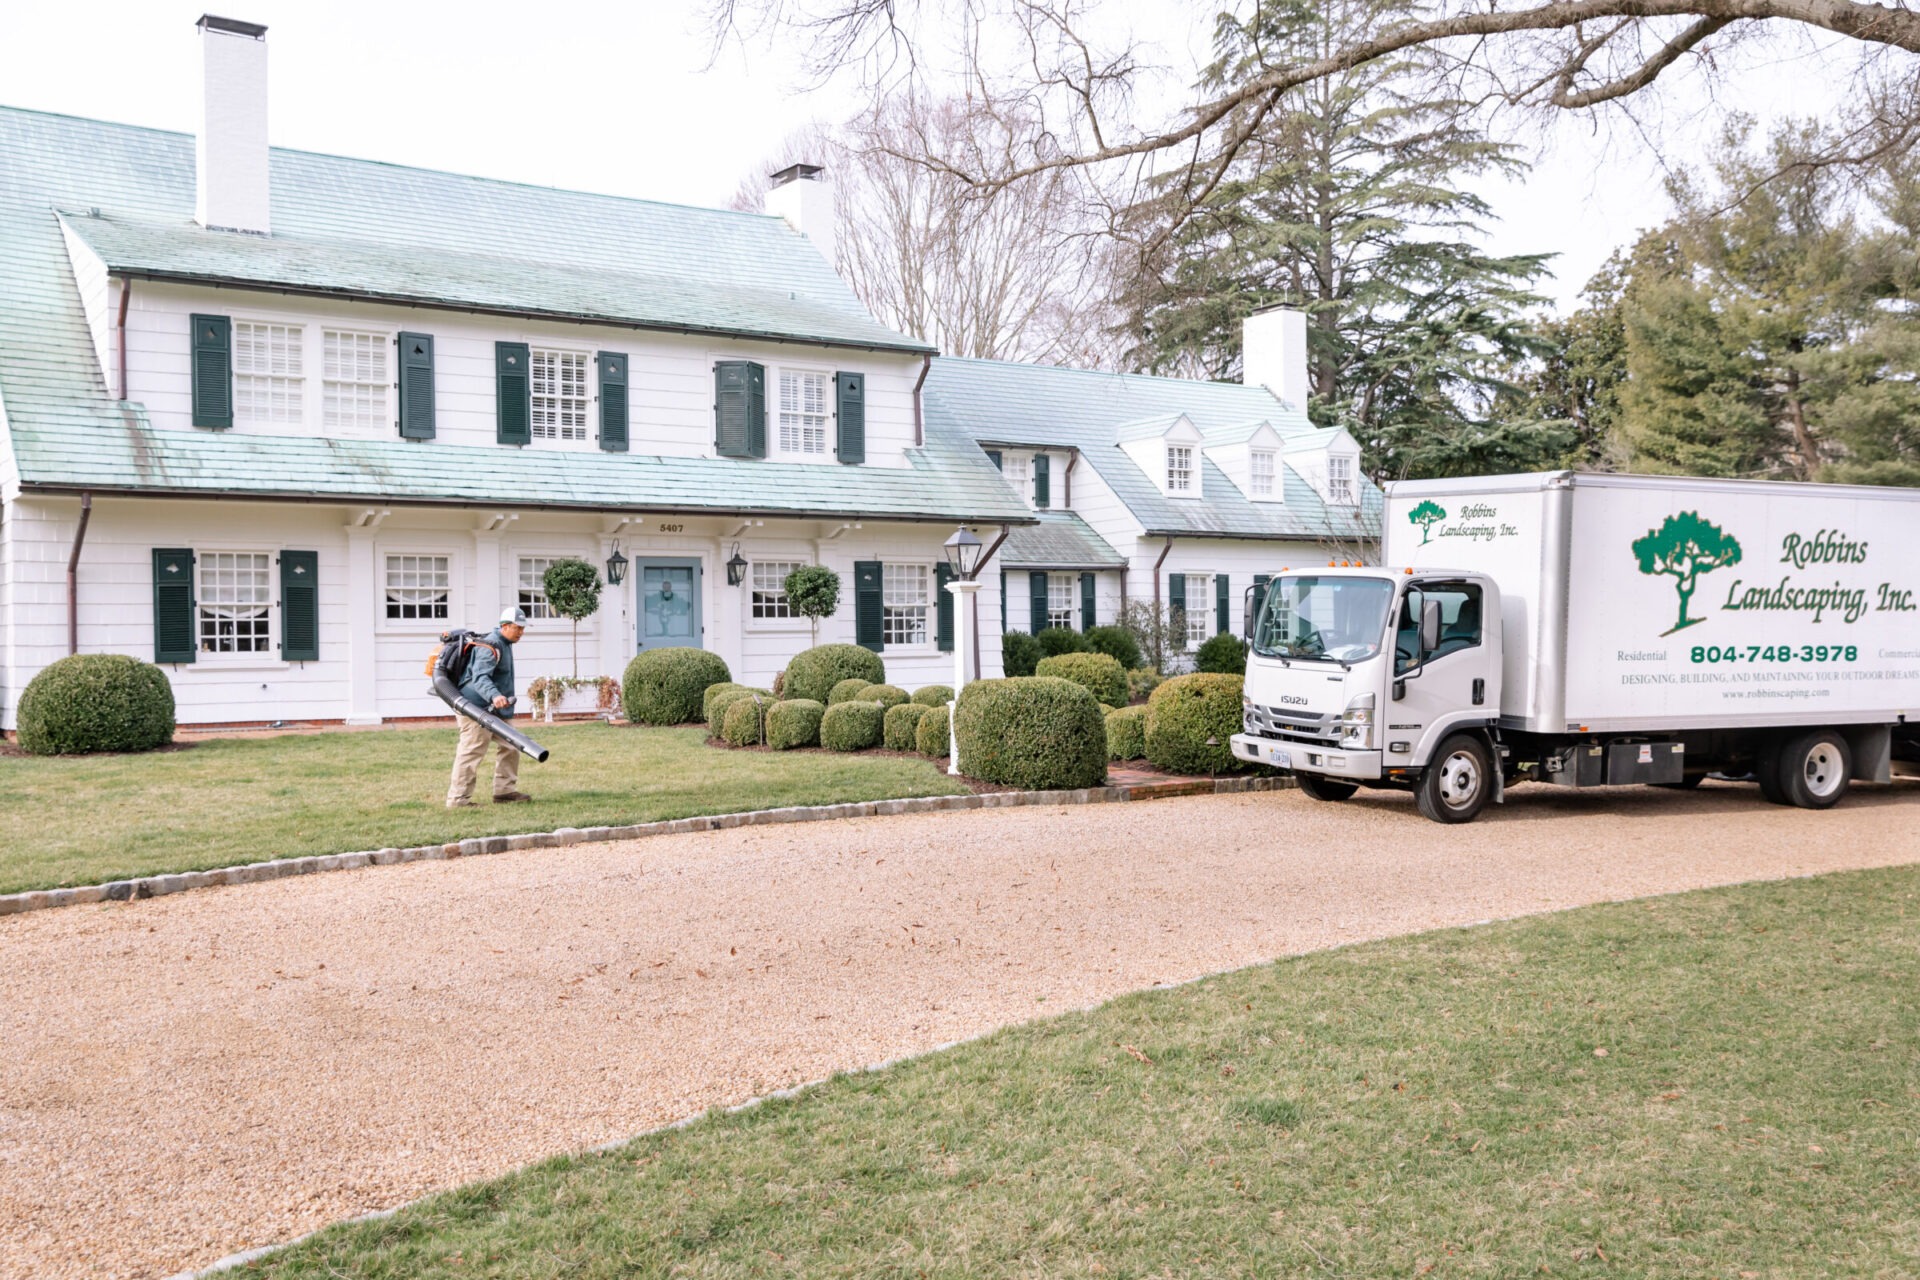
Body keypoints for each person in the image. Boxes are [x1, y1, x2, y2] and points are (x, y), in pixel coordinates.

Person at [446, 606, 532, 808]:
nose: (521, 632)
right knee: (472, 751)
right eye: (517, 628)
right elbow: (479, 677)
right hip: (476, 708)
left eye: (523, 628)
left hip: (495, 708)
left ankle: (504, 791)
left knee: (512, 745)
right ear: (504, 626)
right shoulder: (490, 646)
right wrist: (494, 695)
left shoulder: (506, 643)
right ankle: (458, 800)